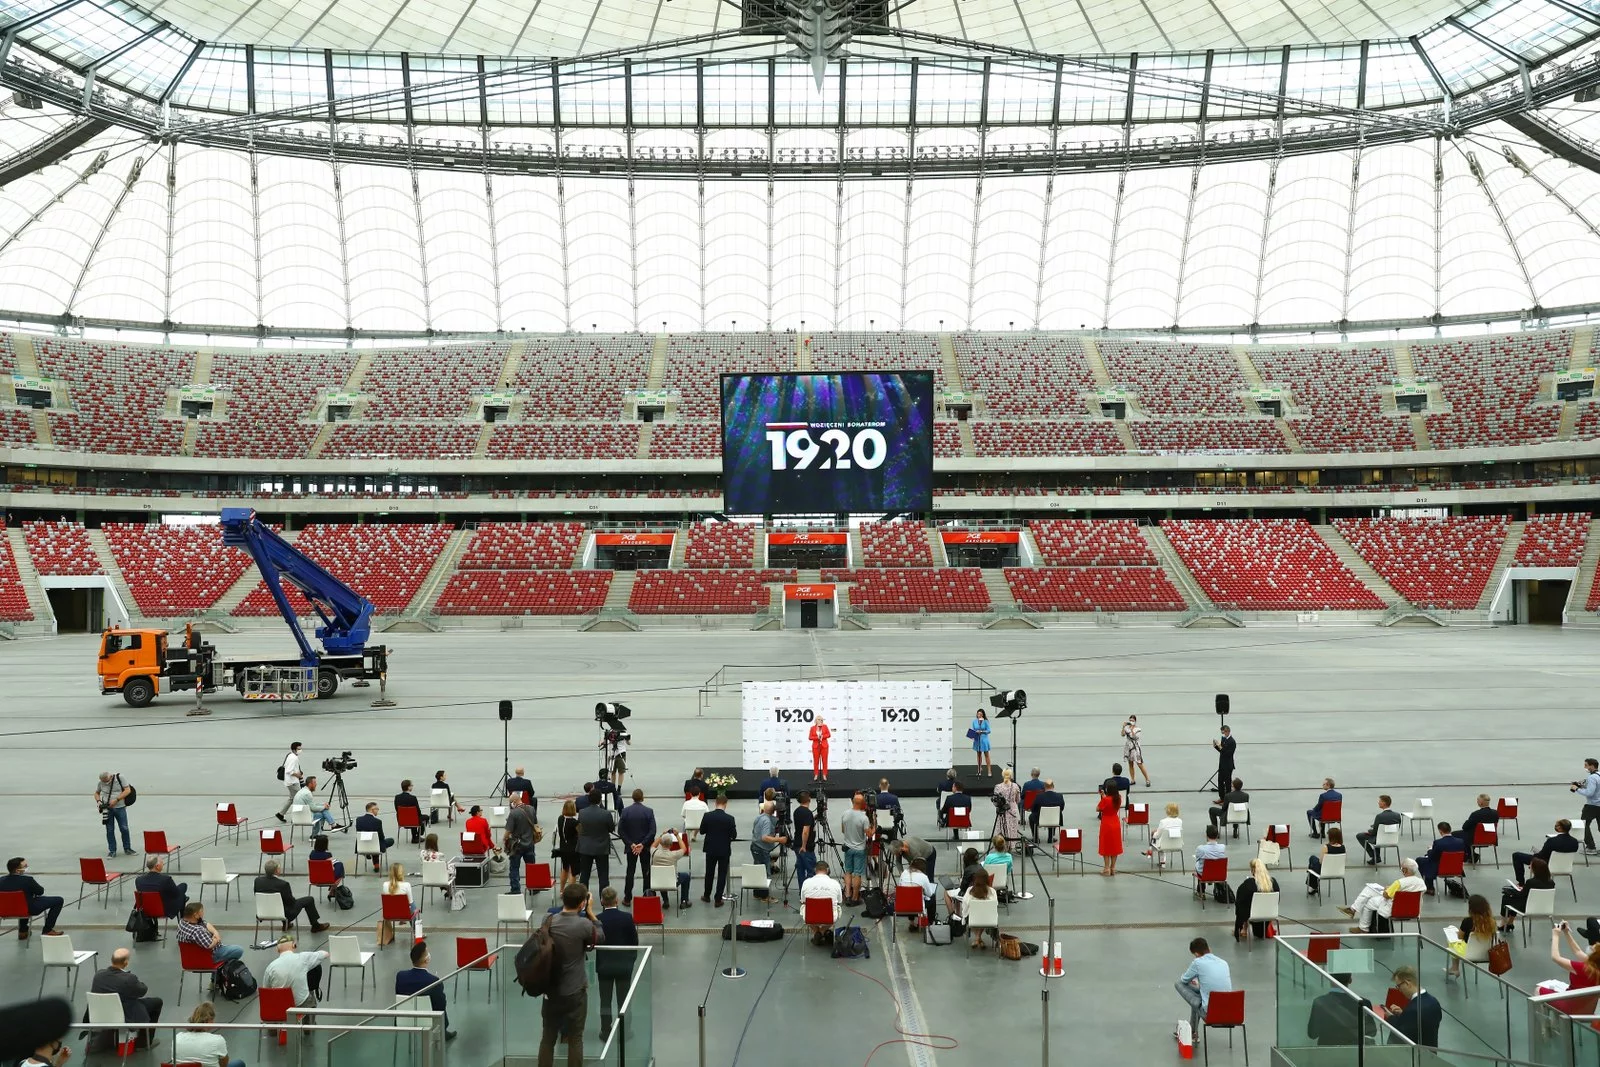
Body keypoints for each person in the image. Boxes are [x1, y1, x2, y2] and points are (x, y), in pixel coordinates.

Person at [536, 883, 604, 1067]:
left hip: (550, 991)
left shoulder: (548, 920)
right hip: (575, 991)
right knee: (575, 1039)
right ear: (583, 903)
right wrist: (591, 914)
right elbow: (600, 936)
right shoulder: (583, 924)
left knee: (547, 1038)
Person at [89, 948, 162, 1049]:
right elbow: (142, 991)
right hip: (124, 1014)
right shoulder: (129, 979)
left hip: (100, 1014)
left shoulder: (98, 975)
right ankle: (144, 1043)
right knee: (157, 1002)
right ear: (126, 962)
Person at [595, 887, 638, 1041]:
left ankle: (605, 1031)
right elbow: (634, 942)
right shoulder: (627, 918)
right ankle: (625, 1031)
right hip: (624, 966)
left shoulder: (598, 919)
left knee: (605, 1001)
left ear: (602, 901)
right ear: (617, 900)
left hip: (604, 967)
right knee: (624, 1001)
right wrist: (631, 960)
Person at [1343, 857, 1426, 932]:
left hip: (1394, 909)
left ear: (1405, 870)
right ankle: (1353, 910)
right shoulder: (1421, 882)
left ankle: (1363, 928)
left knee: (1368, 902)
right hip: (1412, 911)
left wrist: (1387, 889)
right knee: (1369, 892)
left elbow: (1386, 895)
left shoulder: (1399, 883)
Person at [394, 940, 456, 1041]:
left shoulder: (400, 976)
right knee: (439, 1003)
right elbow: (441, 1006)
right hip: (427, 1022)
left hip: (404, 1019)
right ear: (426, 960)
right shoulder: (434, 981)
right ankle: (443, 1032)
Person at [1176, 937, 1232, 1037]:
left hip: (1211, 1015)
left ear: (1196, 954)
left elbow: (1184, 980)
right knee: (1202, 993)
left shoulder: (1197, 962)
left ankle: (1192, 1032)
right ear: (1209, 949)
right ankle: (1193, 1031)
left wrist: (1194, 982)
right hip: (1231, 1014)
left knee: (1178, 984)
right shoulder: (1224, 963)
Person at [261, 935, 327, 1020]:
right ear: (294, 945)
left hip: (279, 1007)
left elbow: (266, 991)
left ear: (277, 949)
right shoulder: (303, 958)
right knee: (309, 995)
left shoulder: (270, 967)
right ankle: (308, 1025)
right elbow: (325, 954)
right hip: (300, 1005)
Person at [255, 861, 331, 932]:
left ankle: (286, 924)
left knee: (279, 902)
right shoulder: (283, 884)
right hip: (282, 914)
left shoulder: (257, 881)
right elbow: (290, 902)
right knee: (309, 900)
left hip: (263, 912)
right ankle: (316, 926)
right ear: (276, 871)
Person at [0, 856, 64, 938]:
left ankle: (23, 931)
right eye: (25, 866)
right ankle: (47, 930)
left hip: (5, 910)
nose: (27, 868)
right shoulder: (28, 880)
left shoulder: (1, 881)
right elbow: (40, 891)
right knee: (58, 900)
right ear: (17, 870)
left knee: (22, 901)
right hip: (27, 909)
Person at [1306, 974, 1377, 1046]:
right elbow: (1372, 1031)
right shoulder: (1364, 1003)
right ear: (1350, 980)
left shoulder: (1319, 1002)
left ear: (1330, 980)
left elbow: (1312, 1034)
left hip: (1327, 1051)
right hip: (1355, 1052)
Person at [1378, 966, 1440, 1047]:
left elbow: (1402, 1034)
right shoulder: (1434, 1002)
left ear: (1407, 983)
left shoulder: (1412, 1009)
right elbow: (1419, 1024)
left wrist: (1390, 1017)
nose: (1399, 990)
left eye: (1399, 986)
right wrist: (1403, 1014)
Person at [1549, 921, 1600, 1016]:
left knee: (1538, 990)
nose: (1592, 946)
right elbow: (1577, 951)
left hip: (1571, 1005)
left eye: (1594, 948)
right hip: (1587, 1009)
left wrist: (1555, 935)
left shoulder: (1582, 968)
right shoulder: (1596, 966)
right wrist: (1566, 933)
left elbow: (1555, 957)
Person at [173, 1002, 243, 1067]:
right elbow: (224, 1065)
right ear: (209, 1021)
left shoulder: (177, 1038)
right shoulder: (218, 1040)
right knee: (239, 1063)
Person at [618, 789, 657, 904]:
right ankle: (647, 895)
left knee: (630, 871)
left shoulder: (625, 811)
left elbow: (621, 831)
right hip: (644, 848)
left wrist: (631, 844)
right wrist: (643, 844)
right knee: (646, 871)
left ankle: (627, 897)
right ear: (642, 798)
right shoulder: (648, 811)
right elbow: (652, 831)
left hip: (631, 848)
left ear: (632, 797)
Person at [1446, 894, 1497, 979]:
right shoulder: (1492, 922)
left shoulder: (1467, 921)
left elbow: (1460, 937)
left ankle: (1455, 968)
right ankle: (1455, 968)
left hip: (1468, 954)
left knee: (1452, 940)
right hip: (1486, 954)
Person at [699, 793, 737, 906]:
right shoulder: (730, 819)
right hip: (724, 849)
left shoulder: (707, 816)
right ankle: (718, 898)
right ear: (726, 804)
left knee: (709, 872)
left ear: (715, 802)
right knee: (722, 874)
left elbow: (702, 831)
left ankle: (706, 895)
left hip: (710, 848)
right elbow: (733, 835)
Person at [1514, 818, 1580, 883]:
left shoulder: (1552, 841)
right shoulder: (1575, 842)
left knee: (1516, 855)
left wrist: (1535, 855)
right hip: (1565, 866)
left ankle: (1521, 882)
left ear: (1560, 828)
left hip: (1547, 863)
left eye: (1556, 826)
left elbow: (1542, 856)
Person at [177, 901, 244, 965]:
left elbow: (206, 923)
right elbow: (210, 946)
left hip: (191, 956)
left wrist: (215, 932)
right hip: (209, 956)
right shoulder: (197, 931)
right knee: (238, 950)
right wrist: (216, 939)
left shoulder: (183, 922)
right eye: (202, 911)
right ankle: (220, 967)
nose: (203, 913)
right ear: (196, 915)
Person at [1500, 856, 1556, 931]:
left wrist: (1511, 890)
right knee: (1514, 898)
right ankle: (1510, 923)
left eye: (1531, 866)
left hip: (1529, 908)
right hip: (1545, 907)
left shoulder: (1530, 882)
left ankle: (1504, 923)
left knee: (1506, 898)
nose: (1529, 867)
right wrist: (1524, 889)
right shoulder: (1551, 883)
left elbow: (1521, 895)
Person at [576, 788, 616, 891]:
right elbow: (611, 829)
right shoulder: (606, 814)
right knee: (603, 876)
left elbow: (580, 827)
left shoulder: (582, 812)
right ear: (600, 800)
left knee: (584, 876)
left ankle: (583, 901)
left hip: (585, 847)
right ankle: (605, 902)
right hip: (601, 848)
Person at [946, 868, 995, 949]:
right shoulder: (992, 891)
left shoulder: (970, 891)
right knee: (983, 914)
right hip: (989, 919)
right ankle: (979, 938)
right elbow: (994, 906)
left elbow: (965, 906)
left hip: (973, 919)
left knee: (972, 915)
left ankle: (977, 938)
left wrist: (964, 916)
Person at [1233, 858, 1279, 940]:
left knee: (1243, 905)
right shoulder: (1273, 882)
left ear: (1252, 870)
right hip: (1270, 914)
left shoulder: (1248, 884)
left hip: (1253, 915)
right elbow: (1277, 900)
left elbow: (1239, 902)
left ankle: (1244, 928)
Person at [504, 792, 542, 894]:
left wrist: (505, 839)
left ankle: (515, 889)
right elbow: (534, 823)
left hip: (517, 845)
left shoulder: (513, 813)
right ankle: (533, 888)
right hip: (530, 843)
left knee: (514, 868)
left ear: (514, 801)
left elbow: (508, 830)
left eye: (511, 802)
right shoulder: (531, 809)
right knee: (531, 867)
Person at [1416, 822, 1466, 894]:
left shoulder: (1438, 843)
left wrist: (1430, 850)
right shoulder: (1460, 841)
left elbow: (1432, 858)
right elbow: (1464, 857)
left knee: (1420, 860)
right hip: (1456, 868)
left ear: (1440, 831)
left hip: (1441, 869)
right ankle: (1429, 887)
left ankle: (1429, 887)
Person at [94, 771, 135, 858]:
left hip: (120, 807)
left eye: (106, 781)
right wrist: (98, 801)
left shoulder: (120, 778)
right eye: (103, 782)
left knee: (124, 828)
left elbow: (128, 790)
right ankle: (112, 850)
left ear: (110, 777)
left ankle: (127, 848)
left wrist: (116, 799)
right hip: (107, 809)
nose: (105, 783)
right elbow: (97, 793)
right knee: (109, 830)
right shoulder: (101, 783)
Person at [839, 793, 869, 906]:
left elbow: (843, 830)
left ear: (853, 801)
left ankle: (847, 895)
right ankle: (855, 898)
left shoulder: (845, 814)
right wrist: (874, 826)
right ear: (862, 804)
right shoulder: (864, 818)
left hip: (848, 848)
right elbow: (869, 833)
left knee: (848, 871)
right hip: (859, 849)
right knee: (857, 874)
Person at [650, 829, 692, 909]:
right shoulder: (674, 855)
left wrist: (662, 835)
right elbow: (684, 848)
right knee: (686, 876)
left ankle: (666, 901)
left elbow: (653, 845)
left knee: (662, 876)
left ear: (661, 843)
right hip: (672, 882)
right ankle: (684, 901)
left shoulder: (654, 852)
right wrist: (677, 836)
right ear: (671, 844)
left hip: (657, 882)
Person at [750, 799, 786, 894]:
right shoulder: (767, 821)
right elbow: (765, 837)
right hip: (761, 849)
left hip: (755, 847)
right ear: (774, 811)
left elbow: (754, 831)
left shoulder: (759, 817)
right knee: (765, 873)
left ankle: (757, 893)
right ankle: (764, 896)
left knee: (758, 872)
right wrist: (779, 839)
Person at [801, 859, 842, 941]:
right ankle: (823, 931)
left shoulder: (806, 882)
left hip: (810, 917)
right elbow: (840, 901)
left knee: (803, 907)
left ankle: (816, 932)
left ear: (814, 870)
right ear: (828, 870)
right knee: (837, 907)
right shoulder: (835, 883)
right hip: (829, 917)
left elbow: (803, 900)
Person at [1356, 795, 1404, 865]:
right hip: (1393, 839)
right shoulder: (1397, 815)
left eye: (1380, 801)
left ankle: (1375, 856)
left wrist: (1370, 830)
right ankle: (1376, 856)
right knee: (1378, 835)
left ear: (1384, 803)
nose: (1378, 802)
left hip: (1380, 839)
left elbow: (1374, 833)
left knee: (1360, 836)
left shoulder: (1379, 816)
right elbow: (1397, 828)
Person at [1454, 794, 1498, 861]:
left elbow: (1465, 827)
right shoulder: (1495, 813)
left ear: (1481, 802)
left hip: (1476, 838)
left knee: (1455, 834)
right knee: (1469, 835)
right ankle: (1471, 855)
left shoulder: (1476, 814)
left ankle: (1470, 855)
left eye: (1477, 800)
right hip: (1490, 837)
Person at [354, 802, 395, 873]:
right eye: (377, 809)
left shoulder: (358, 820)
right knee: (389, 841)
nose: (378, 811)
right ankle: (376, 864)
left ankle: (368, 855)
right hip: (375, 846)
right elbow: (381, 836)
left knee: (373, 841)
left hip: (362, 846)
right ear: (372, 810)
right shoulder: (377, 821)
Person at [897, 859, 937, 927]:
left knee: (909, 895)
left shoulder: (904, 873)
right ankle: (930, 922)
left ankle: (912, 922)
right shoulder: (923, 877)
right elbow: (929, 894)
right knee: (932, 898)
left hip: (902, 906)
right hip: (918, 907)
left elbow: (900, 886)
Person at [1307, 827, 1346, 894]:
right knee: (1313, 864)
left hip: (1325, 871)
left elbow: (1321, 862)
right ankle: (1312, 887)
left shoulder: (1326, 847)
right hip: (1338, 871)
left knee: (1312, 859)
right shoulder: (1343, 847)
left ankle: (1313, 887)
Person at [1096, 779, 1123, 877]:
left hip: (1106, 823)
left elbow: (1098, 809)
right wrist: (1104, 796)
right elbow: (1111, 803)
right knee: (1114, 846)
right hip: (1115, 822)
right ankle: (1113, 868)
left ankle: (1106, 868)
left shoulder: (1106, 800)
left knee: (1106, 845)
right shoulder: (1119, 798)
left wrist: (1103, 797)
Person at [1573, 758, 1600, 854]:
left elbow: (1590, 793)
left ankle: (1591, 847)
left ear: (1592, 766)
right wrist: (1584, 785)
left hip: (1592, 806)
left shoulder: (1592, 778)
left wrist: (1576, 789)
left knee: (1584, 825)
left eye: (1586, 765)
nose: (1585, 767)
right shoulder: (1598, 775)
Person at [1144, 802, 1183, 868]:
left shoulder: (1163, 821)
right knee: (1163, 839)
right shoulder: (1180, 821)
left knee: (1156, 837)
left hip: (1164, 845)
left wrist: (1153, 834)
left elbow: (1157, 836)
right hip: (1177, 844)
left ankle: (1150, 851)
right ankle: (1160, 860)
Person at [554, 798, 581, 892]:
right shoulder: (575, 822)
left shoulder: (560, 818)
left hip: (563, 848)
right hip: (573, 849)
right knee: (573, 873)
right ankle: (570, 892)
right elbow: (581, 833)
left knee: (565, 869)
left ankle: (561, 890)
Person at [791, 791, 817, 885]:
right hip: (805, 847)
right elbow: (805, 831)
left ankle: (802, 892)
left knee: (800, 869)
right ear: (809, 799)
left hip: (797, 844)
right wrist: (804, 845)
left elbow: (802, 824)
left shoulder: (797, 811)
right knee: (811, 870)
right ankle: (809, 892)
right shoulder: (807, 813)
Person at [276, 742, 304, 822]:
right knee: (302, 797)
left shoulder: (291, 755)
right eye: (299, 749)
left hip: (289, 782)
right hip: (292, 782)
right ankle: (296, 817)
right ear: (294, 749)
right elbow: (289, 771)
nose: (300, 750)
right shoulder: (294, 758)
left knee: (292, 798)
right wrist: (298, 775)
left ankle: (280, 814)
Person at [1030, 779, 1065, 843]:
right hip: (1055, 819)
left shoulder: (1039, 796)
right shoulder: (1059, 796)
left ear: (1044, 787)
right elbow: (1062, 808)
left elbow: (1033, 809)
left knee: (1031, 816)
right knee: (1054, 814)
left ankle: (1035, 837)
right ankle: (1050, 837)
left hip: (1041, 819)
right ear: (1053, 786)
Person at [993, 767, 1022, 843]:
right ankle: (1012, 845)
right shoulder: (1016, 786)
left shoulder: (998, 787)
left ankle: (1001, 844)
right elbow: (1018, 800)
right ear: (1011, 775)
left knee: (1002, 828)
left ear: (1003, 775)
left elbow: (995, 802)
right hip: (1012, 810)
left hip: (1002, 810)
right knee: (1012, 829)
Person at [1122, 715, 1151, 785]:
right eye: (1130, 720)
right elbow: (1122, 734)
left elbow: (1135, 737)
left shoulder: (1138, 729)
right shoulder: (1126, 728)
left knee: (1139, 764)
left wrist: (1132, 729)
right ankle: (1132, 779)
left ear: (1135, 721)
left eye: (1132, 720)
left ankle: (1147, 779)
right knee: (1130, 763)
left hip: (1135, 748)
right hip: (1128, 748)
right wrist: (1123, 727)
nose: (1131, 722)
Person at [1212, 726, 1236, 802]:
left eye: (1223, 732)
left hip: (1228, 766)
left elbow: (1228, 753)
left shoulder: (1232, 742)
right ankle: (1222, 797)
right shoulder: (1224, 739)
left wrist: (1221, 747)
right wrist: (1216, 746)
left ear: (1227, 731)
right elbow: (1222, 751)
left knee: (1227, 783)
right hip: (1222, 765)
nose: (1223, 734)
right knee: (1220, 781)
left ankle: (1227, 800)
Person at [970, 708, 992, 777]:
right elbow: (973, 729)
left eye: (980, 714)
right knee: (979, 755)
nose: (979, 715)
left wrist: (982, 732)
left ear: (983, 715)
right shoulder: (974, 721)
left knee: (986, 755)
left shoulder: (985, 721)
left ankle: (989, 770)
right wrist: (972, 734)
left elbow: (989, 730)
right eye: (978, 713)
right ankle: (979, 769)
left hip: (984, 739)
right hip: (977, 740)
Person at [809, 717, 831, 781]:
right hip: (816, 746)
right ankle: (816, 774)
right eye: (819, 719)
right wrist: (817, 737)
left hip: (824, 746)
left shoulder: (825, 726)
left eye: (821, 719)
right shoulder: (812, 728)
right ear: (816, 721)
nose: (820, 720)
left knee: (824, 761)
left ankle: (824, 774)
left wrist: (823, 736)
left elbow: (829, 734)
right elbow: (810, 737)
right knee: (816, 761)